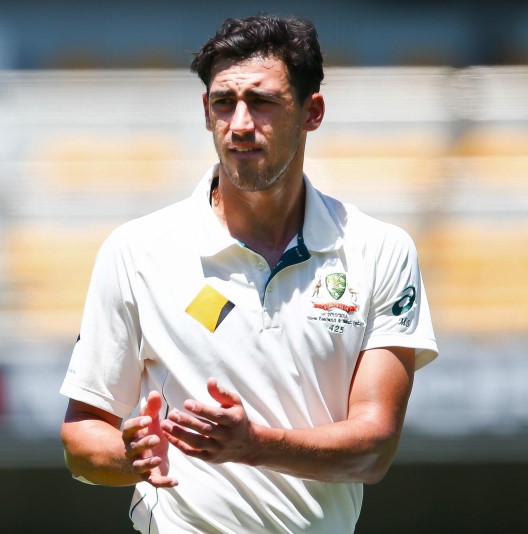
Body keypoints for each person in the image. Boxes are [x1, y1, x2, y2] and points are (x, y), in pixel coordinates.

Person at [59, 13, 438, 534]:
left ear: (312, 111)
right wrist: (134, 458)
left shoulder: (380, 250)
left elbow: (372, 450)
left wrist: (254, 445)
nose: (239, 124)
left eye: (262, 102)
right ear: (206, 111)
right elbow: (82, 440)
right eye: (223, 103)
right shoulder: (136, 250)